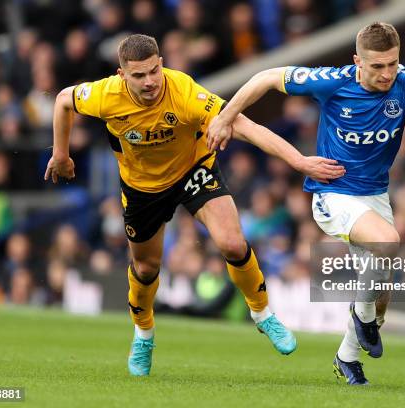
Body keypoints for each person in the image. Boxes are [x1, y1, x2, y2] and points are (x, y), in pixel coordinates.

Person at [44, 34, 345, 376]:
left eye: (154, 71)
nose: (150, 82)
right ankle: (144, 334)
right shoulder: (104, 95)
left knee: (233, 243)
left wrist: (299, 161)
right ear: (121, 75)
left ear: (161, 64)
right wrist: (61, 153)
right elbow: (63, 100)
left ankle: (262, 314)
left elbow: (245, 126)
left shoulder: (184, 93)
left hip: (193, 171)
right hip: (142, 189)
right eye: (139, 75)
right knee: (145, 269)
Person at [208, 22, 405, 385]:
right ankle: (362, 317)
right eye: (377, 66)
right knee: (388, 244)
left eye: (392, 63)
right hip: (333, 193)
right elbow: (263, 78)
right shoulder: (332, 81)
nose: (386, 73)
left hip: (375, 197)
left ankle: (347, 358)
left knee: (380, 294)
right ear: (358, 61)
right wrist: (224, 118)